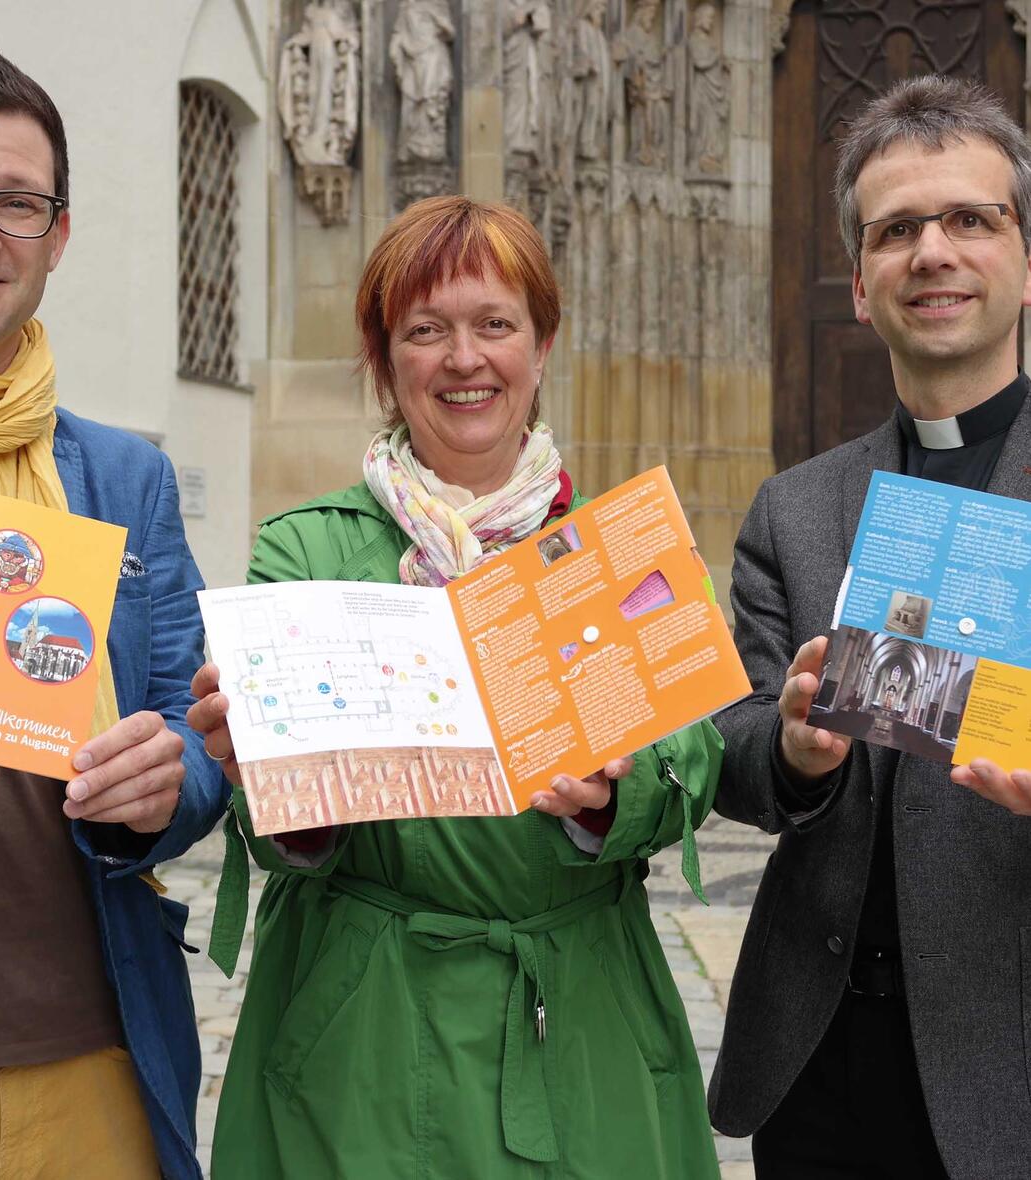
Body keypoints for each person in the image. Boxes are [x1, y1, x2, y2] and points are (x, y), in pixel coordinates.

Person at [188, 195, 725, 1179]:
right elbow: (274, 832)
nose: (464, 358)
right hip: (366, 1018)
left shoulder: (615, 541)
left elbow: (695, 752)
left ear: (543, 342)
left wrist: (619, 789)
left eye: (494, 324)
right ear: (384, 357)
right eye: (425, 330)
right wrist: (269, 773)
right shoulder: (306, 547)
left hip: (579, 1007)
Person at [0, 38, 227, 1179]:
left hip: (98, 1058)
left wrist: (160, 788)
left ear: (57, 236)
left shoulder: (123, 480)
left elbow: (197, 735)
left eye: (17, 204)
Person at [708, 75, 1031, 1179]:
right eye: (896, 230)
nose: (931, 251)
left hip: (1012, 1057)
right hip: (820, 1061)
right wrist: (792, 751)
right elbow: (732, 749)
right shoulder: (796, 511)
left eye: (970, 219)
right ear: (859, 283)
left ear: (1026, 263)